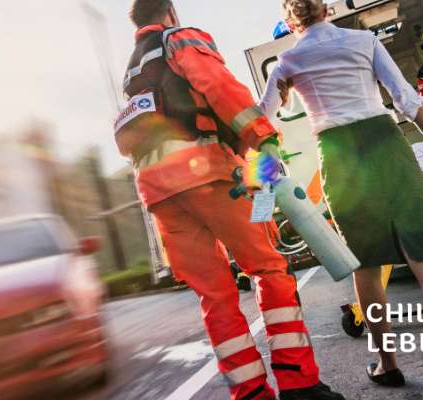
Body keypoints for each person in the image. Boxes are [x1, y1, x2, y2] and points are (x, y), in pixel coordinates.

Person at [260, 1, 423, 398]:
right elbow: (404, 96)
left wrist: (263, 182)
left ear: (288, 21)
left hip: (337, 154)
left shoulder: (288, 61)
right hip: (387, 144)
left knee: (365, 266)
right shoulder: (364, 41)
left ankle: (388, 364)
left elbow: (262, 121)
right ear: (327, 9)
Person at [115, 1, 344, 399]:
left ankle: (251, 393)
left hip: (158, 195)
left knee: (214, 296)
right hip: (206, 174)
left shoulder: (132, 72)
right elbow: (219, 88)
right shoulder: (179, 38)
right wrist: (265, 140)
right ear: (170, 11)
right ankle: (299, 384)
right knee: (268, 269)